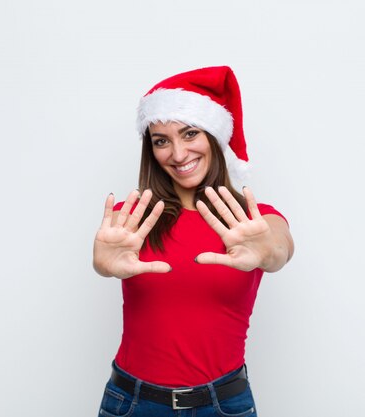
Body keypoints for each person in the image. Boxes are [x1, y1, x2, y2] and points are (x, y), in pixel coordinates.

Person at [93, 66, 294, 416]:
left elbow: (279, 247)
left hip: (224, 405)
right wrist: (101, 265)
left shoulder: (253, 220)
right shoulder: (131, 218)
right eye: (161, 141)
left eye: (190, 134)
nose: (178, 153)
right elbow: (107, 256)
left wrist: (269, 251)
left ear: (215, 136)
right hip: (133, 404)